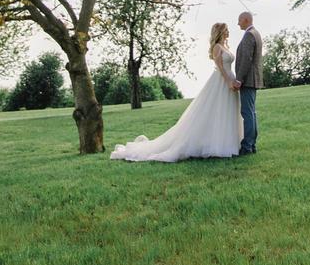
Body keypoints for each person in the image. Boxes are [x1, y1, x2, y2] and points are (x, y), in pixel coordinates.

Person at [109, 23, 242, 162]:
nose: (228, 32)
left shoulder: (226, 46)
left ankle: (228, 142)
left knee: (227, 111)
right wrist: (228, 81)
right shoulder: (217, 47)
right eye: (226, 30)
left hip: (230, 79)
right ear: (220, 32)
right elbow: (220, 67)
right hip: (221, 81)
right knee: (217, 110)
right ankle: (216, 146)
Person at [231, 10, 264, 155]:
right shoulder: (256, 33)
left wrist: (239, 79)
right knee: (251, 113)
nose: (238, 23)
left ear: (245, 20)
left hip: (248, 80)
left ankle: (247, 146)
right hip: (253, 79)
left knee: (247, 113)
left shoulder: (249, 35)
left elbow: (246, 59)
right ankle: (252, 145)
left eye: (239, 20)